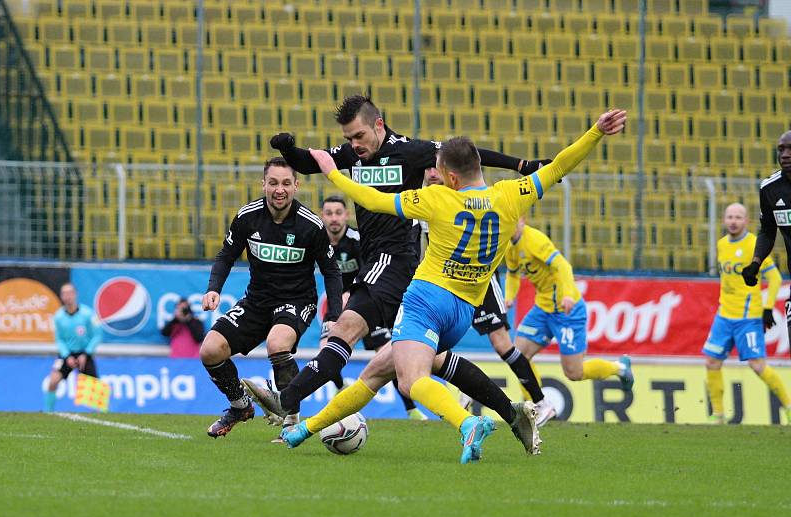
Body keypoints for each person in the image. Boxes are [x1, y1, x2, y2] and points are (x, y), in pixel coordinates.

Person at [266, 110, 627, 463]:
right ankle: (304, 430)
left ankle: (467, 422)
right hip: (463, 311)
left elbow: (372, 200)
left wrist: (333, 174)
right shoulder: (511, 196)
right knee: (377, 371)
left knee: (411, 380)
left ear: (450, 177)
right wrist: (595, 132)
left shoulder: (437, 200)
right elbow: (561, 164)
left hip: (427, 300)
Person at [257, 94, 550, 421]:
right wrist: (288, 150)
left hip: (394, 258)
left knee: (346, 328)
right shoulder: (352, 156)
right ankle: (513, 414)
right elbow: (313, 161)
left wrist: (521, 166)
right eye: (348, 139)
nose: (354, 144)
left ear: (378, 125)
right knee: (428, 359)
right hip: (381, 263)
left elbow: (468, 157)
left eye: (359, 135)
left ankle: (288, 399)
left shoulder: (410, 151)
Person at [200, 157, 343, 438]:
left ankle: (291, 421)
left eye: (286, 183)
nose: (280, 190)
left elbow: (332, 272)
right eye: (274, 183)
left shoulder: (311, 225)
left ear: (296, 186)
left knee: (277, 343)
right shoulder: (247, 217)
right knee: (210, 350)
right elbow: (226, 255)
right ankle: (240, 406)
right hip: (257, 302)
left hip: (298, 301)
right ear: (263, 184)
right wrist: (213, 287)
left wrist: (334, 315)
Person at [422, 167, 554, 426]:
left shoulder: (462, 194)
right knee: (438, 338)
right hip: (449, 280)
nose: (431, 172)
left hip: (479, 279)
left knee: (502, 344)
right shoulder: (429, 199)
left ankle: (541, 402)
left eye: (435, 167)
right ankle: (461, 395)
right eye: (426, 168)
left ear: (449, 172)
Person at [321, 195, 427, 420]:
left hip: (367, 298)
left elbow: (371, 267)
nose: (334, 219)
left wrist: (351, 291)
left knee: (388, 354)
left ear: (347, 215)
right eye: (329, 213)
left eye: (338, 213)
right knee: (325, 349)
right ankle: (341, 387)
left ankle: (411, 409)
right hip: (338, 305)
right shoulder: (318, 240)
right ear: (323, 216)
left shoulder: (357, 240)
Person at [505, 217, 634, 397]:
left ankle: (620, 368)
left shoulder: (534, 239)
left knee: (574, 372)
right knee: (518, 355)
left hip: (567, 311)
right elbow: (512, 274)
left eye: (510, 220)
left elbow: (562, 265)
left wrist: (566, 294)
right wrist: (509, 297)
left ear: (522, 221)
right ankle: (535, 406)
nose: (506, 224)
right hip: (543, 308)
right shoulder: (509, 247)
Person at [704, 203, 790, 424]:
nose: (733, 221)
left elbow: (775, 279)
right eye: (730, 216)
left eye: (738, 217)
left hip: (748, 318)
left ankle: (789, 406)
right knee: (712, 362)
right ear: (724, 220)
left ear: (746, 221)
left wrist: (768, 308)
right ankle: (719, 415)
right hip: (724, 315)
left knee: (757, 365)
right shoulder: (722, 245)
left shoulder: (754, 244)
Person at [44, 282, 102, 412]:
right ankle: (47, 413)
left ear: (75, 294)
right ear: (61, 296)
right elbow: (59, 340)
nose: (67, 296)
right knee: (52, 382)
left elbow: (98, 336)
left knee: (96, 389)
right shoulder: (58, 317)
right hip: (67, 355)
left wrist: (86, 354)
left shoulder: (89, 314)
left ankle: (102, 417)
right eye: (64, 293)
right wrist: (67, 356)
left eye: (70, 293)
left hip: (84, 354)